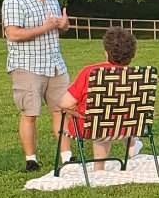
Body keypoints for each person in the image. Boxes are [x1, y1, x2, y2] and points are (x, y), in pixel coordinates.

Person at [2, 0, 70, 172]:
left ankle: (67, 157)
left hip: (55, 64)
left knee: (62, 110)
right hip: (28, 66)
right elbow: (13, 34)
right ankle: (31, 160)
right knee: (30, 113)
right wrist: (46, 27)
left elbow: (58, 26)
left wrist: (64, 24)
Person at [56, 25, 139, 171]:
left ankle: (98, 169)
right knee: (112, 113)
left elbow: (65, 103)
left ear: (106, 52)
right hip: (126, 124)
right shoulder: (135, 75)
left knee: (99, 118)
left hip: (91, 126)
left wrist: (76, 110)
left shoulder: (92, 72)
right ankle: (131, 144)